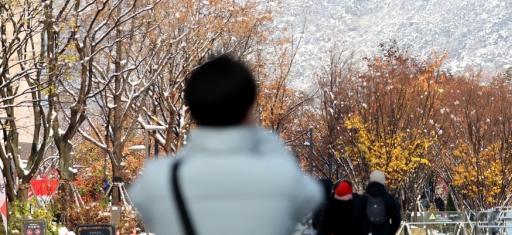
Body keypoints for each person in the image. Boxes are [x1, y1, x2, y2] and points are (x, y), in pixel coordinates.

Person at [130, 55, 323, 235]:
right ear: (248, 108)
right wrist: (265, 137)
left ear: (191, 107)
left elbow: (141, 202)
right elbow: (312, 196)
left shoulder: (159, 180)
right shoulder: (283, 177)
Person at [353, 170, 401, 235]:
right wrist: (390, 231)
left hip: (367, 231)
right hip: (385, 231)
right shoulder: (389, 199)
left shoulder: (363, 198)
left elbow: (356, 219)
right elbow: (396, 219)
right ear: (383, 181)